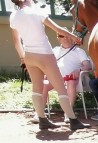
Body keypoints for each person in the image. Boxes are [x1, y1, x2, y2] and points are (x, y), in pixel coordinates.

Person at [9, 0, 89, 130]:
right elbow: (58, 29)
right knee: (61, 88)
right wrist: (74, 37)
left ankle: (42, 119)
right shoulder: (37, 11)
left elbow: (16, 41)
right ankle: (73, 121)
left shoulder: (14, 16)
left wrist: (22, 57)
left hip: (29, 55)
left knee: (36, 87)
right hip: (45, 54)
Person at [41, 32, 91, 118]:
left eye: (67, 36)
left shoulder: (79, 51)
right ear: (58, 38)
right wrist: (47, 73)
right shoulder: (55, 50)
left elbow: (88, 66)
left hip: (74, 79)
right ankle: (40, 113)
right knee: (43, 84)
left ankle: (68, 113)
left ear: (71, 37)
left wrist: (78, 70)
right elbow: (48, 65)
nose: (65, 38)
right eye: (61, 36)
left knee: (70, 82)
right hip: (56, 79)